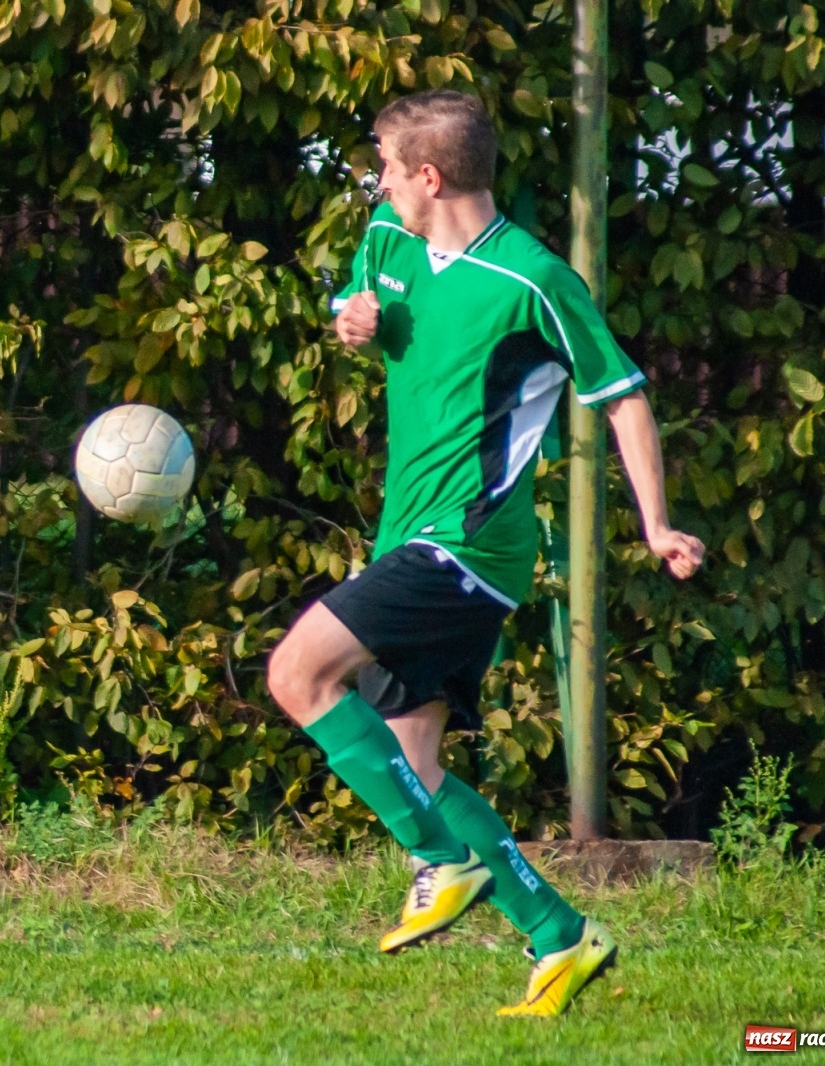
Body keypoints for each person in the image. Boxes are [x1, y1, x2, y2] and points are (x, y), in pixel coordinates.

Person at [266, 90, 705, 1016]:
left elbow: (622, 395)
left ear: (430, 176)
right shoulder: (388, 240)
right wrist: (354, 321)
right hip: (408, 532)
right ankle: (561, 936)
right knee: (410, 770)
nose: (376, 183)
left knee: (296, 673)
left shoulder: (533, 280)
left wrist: (655, 523)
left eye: (387, 167)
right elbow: (363, 304)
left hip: (466, 546)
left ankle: (440, 860)